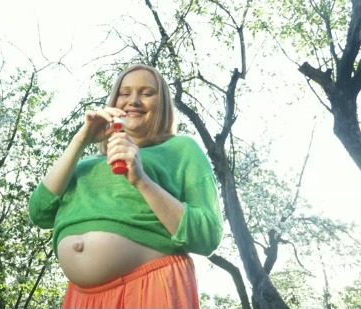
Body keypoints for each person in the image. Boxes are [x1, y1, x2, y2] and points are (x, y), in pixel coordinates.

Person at [28, 64, 223, 309]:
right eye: (125, 93)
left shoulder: (182, 149)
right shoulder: (83, 166)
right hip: (82, 298)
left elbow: (207, 235)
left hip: (151, 284)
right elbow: (39, 212)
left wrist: (142, 180)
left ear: (162, 103)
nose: (134, 101)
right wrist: (80, 140)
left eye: (147, 93)